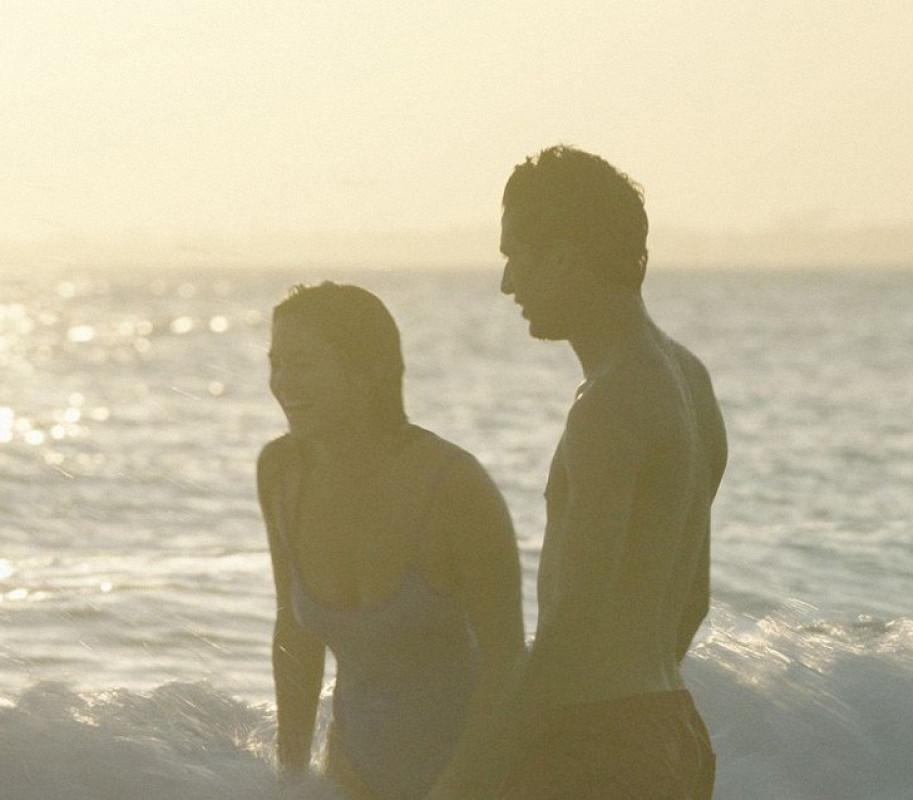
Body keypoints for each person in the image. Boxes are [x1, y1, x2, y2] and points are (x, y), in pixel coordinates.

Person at [442, 145, 728, 799]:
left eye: (516, 256)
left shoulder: (609, 406)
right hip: (673, 730)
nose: (507, 284)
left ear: (564, 257)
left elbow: (573, 627)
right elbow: (692, 600)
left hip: (596, 748)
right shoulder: (689, 379)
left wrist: (473, 775)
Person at [257, 282, 524, 800]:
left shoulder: (454, 485)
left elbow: (507, 662)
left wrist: (458, 788)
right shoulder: (281, 473)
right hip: (349, 777)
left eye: (302, 364)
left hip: (472, 783)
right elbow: (296, 634)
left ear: (369, 371)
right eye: (276, 364)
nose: (282, 382)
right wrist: (291, 780)